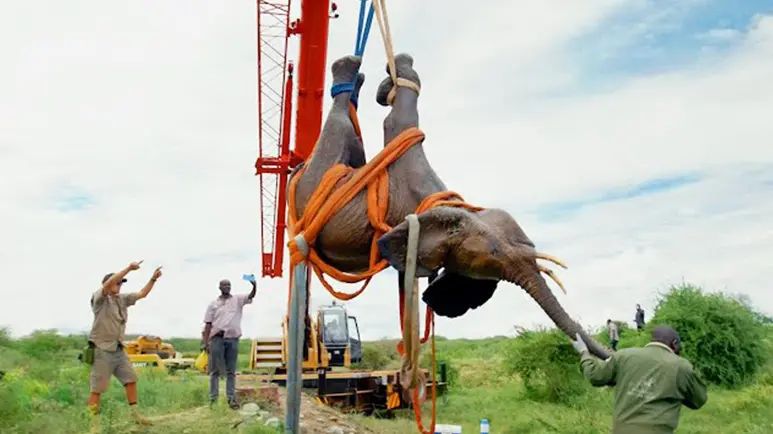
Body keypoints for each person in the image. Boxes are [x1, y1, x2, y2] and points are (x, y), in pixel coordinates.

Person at [571, 326, 707, 433]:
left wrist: (584, 353)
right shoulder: (681, 366)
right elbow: (698, 400)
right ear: (675, 343)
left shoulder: (624, 356)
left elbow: (595, 376)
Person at [87, 260, 162, 425]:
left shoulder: (122, 299)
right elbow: (108, 284)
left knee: (131, 379)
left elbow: (142, 293)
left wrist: (153, 279)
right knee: (97, 388)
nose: (120, 285)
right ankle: (93, 424)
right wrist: (129, 268)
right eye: (117, 282)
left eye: (121, 283)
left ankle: (135, 416)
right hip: (101, 349)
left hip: (118, 349)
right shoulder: (99, 299)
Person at [202, 277, 257, 408]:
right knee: (214, 371)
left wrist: (254, 286)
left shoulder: (237, 300)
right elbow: (208, 325)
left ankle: (231, 399)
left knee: (231, 371)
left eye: (229, 285)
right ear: (220, 287)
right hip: (217, 339)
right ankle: (213, 400)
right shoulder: (213, 304)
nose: (227, 287)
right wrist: (205, 342)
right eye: (224, 285)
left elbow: (251, 295)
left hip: (232, 339)